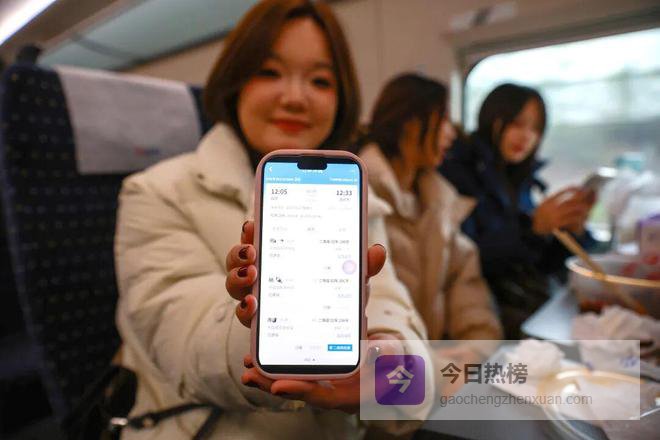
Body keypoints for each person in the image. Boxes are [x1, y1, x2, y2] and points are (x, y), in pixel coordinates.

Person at [114, 1, 430, 439]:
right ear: (235, 82)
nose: (295, 97)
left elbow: (389, 307)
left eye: (320, 81)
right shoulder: (155, 191)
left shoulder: (353, 196)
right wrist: (258, 330)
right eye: (269, 72)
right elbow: (179, 339)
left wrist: (393, 361)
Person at [439, 83, 596, 338]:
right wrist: (532, 230)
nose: (526, 136)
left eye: (535, 128)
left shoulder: (521, 182)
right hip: (485, 303)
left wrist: (571, 233)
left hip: (520, 296)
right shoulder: (460, 176)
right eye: (517, 124)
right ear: (492, 118)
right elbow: (466, 259)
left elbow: (539, 265)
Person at [358, 73, 502, 342]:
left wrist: (479, 347)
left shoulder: (439, 198)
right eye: (444, 120)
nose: (452, 134)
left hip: (432, 354)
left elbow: (464, 282)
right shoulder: (360, 194)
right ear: (410, 123)